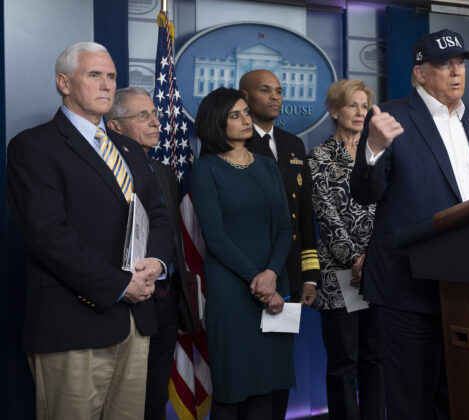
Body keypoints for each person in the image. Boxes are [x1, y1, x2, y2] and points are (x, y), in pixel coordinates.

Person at [5, 42, 172, 420]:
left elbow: (159, 216)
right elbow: (47, 234)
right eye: (94, 75)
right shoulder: (34, 146)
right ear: (64, 83)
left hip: (137, 322)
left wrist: (156, 264)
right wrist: (118, 285)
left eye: (111, 76)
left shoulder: (129, 149)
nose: (107, 85)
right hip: (72, 325)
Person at [350, 29, 469, 420]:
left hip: (468, 282)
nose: (456, 72)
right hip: (408, 285)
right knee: (411, 402)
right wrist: (372, 148)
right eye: (444, 65)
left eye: (460, 63)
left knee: (459, 398)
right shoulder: (389, 116)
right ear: (420, 73)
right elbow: (364, 194)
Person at [190, 87, 294, 420]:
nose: (246, 119)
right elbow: (216, 237)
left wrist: (272, 274)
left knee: (268, 383)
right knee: (234, 387)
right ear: (216, 123)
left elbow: (283, 228)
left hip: (275, 285)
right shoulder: (205, 169)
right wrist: (257, 278)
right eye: (235, 115)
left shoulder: (267, 165)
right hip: (232, 290)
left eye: (246, 112)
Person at [105, 87, 199, 420]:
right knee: (126, 398)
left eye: (155, 115)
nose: (156, 122)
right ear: (115, 126)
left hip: (166, 298)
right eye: (143, 116)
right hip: (128, 298)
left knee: (155, 394)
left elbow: (171, 237)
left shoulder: (164, 173)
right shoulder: (106, 170)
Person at [308, 79, 385, 420]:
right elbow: (326, 216)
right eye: (352, 105)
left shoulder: (379, 155)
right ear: (334, 110)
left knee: (375, 358)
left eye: (364, 106)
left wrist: (375, 259)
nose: (359, 112)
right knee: (344, 362)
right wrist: (356, 259)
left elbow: (391, 209)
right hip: (340, 275)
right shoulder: (319, 157)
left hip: (380, 271)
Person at [240, 69, 320, 310]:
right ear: (244, 97)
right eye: (265, 90)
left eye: (278, 91)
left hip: (292, 267)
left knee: (285, 346)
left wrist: (309, 275)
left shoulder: (293, 144)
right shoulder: (234, 143)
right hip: (253, 272)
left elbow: (304, 213)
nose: (275, 97)